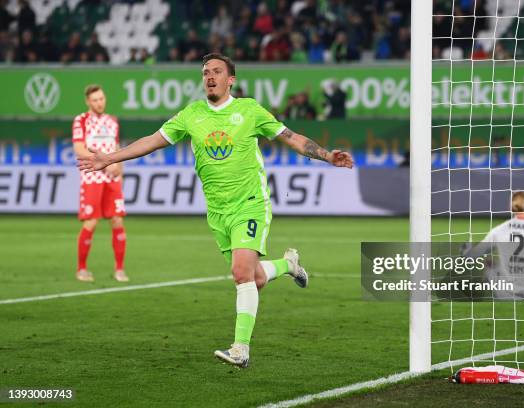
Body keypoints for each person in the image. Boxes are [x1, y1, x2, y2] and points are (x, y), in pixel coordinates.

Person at [77, 53, 354, 368]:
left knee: (240, 274)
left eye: (217, 71)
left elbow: (291, 138)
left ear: (230, 79)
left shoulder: (249, 110)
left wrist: (326, 155)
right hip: (217, 212)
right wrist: (109, 158)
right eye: (205, 72)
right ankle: (289, 265)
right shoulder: (191, 115)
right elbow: (152, 141)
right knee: (256, 278)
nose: (210, 76)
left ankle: (240, 349)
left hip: (250, 203)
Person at [72, 85, 128, 283]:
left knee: (117, 220)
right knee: (92, 221)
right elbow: (79, 149)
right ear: (88, 102)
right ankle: (81, 269)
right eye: (95, 100)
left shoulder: (112, 121)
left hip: (112, 177)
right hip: (92, 176)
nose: (99, 102)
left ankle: (120, 269)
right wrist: (103, 162)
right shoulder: (81, 120)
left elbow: (117, 147)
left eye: (101, 98)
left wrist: (119, 167)